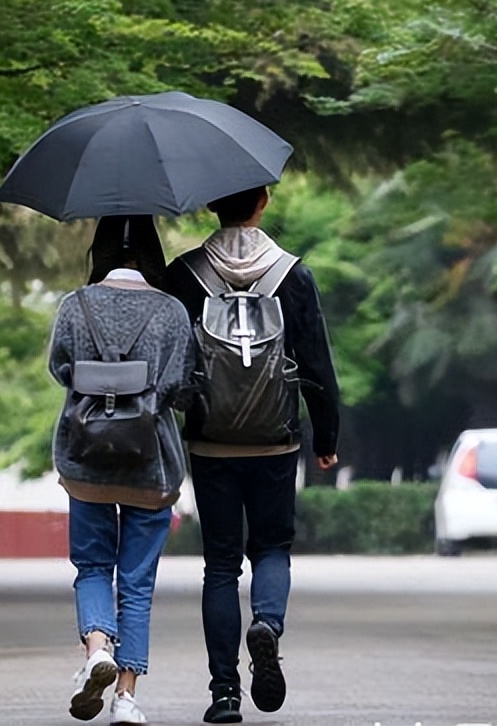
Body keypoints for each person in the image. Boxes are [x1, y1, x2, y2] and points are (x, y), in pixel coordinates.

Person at [161, 187, 340, 723]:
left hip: (210, 439)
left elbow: (169, 358)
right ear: (262, 202)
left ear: (212, 205)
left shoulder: (185, 275)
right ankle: (267, 623)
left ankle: (224, 695)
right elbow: (316, 362)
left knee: (220, 564)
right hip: (275, 439)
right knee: (271, 548)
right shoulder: (293, 274)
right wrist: (326, 437)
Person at [48, 215, 196, 725]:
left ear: (99, 251)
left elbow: (61, 370)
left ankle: (97, 650)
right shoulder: (172, 311)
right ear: (153, 254)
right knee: (136, 583)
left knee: (93, 567)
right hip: (151, 465)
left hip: (85, 459)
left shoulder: (75, 305)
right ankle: (126, 700)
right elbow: (181, 386)